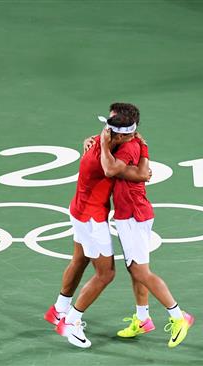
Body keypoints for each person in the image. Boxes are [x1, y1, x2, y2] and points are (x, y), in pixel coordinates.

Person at [44, 110, 150, 349]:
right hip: (92, 218)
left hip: (78, 209)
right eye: (130, 134)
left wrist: (101, 141)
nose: (134, 136)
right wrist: (143, 154)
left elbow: (107, 142)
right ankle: (71, 322)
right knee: (106, 274)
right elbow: (135, 173)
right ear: (119, 136)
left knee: (80, 259)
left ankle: (59, 310)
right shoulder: (105, 155)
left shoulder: (104, 136)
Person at [98, 103, 194, 348]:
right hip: (129, 215)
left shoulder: (128, 148)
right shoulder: (131, 142)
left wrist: (100, 142)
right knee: (134, 269)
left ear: (123, 129)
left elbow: (109, 169)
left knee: (141, 271)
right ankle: (142, 319)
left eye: (111, 124)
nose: (106, 128)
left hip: (134, 216)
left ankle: (178, 316)